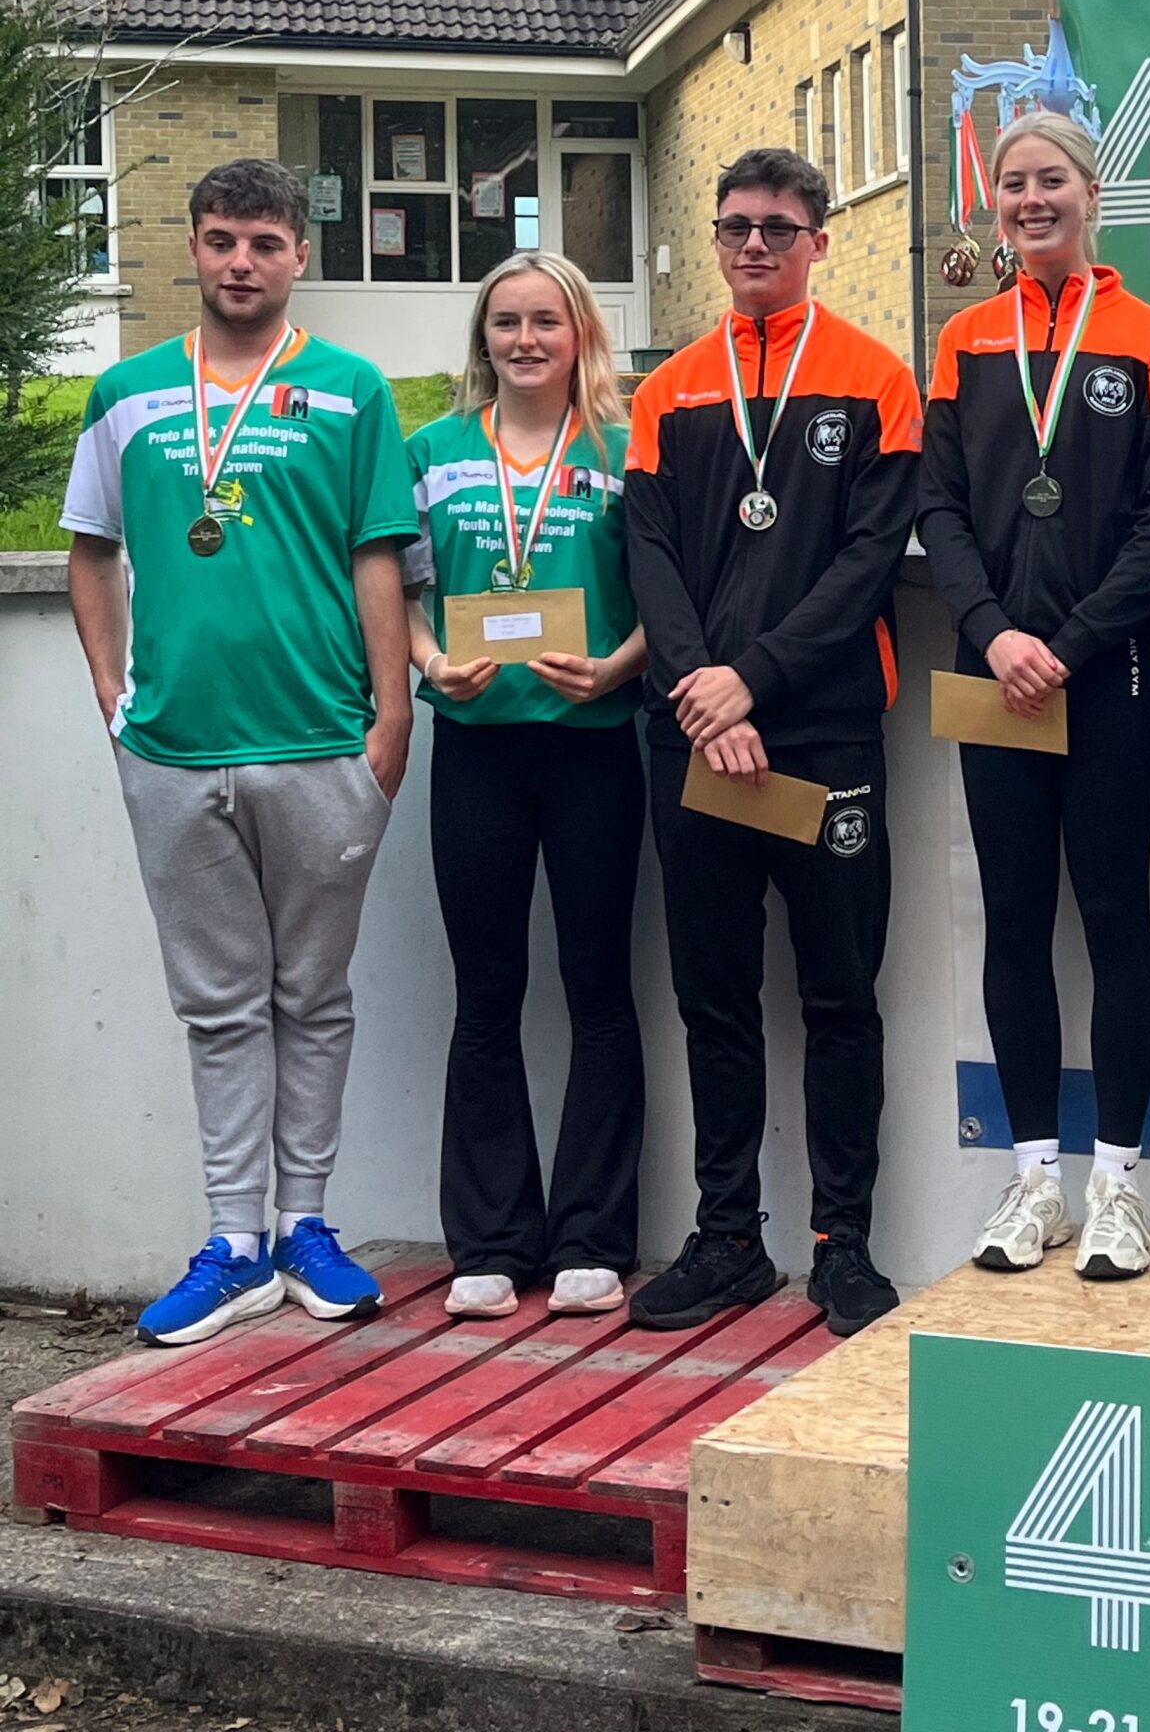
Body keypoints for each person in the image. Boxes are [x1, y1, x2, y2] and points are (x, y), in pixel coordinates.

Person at [62, 158, 416, 1347]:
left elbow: (378, 555)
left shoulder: (353, 391)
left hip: (320, 741)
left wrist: (391, 715)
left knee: (311, 994)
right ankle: (234, 1243)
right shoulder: (125, 393)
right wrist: (113, 693)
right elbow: (91, 548)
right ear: (194, 247)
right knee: (218, 1005)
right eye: (221, 240)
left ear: (299, 253)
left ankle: (306, 1222)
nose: (241, 262)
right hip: (173, 748)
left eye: (264, 242)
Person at [624, 146, 922, 1338]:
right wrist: (706, 694)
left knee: (841, 993)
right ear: (715, 238)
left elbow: (866, 566)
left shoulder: (876, 379)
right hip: (694, 735)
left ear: (819, 240)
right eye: (736, 226)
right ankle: (728, 1238)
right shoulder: (668, 392)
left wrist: (752, 679)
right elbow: (649, 558)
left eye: (779, 227)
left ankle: (843, 1244)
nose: (755, 244)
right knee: (715, 997)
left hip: (824, 727)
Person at [920, 115, 1150, 1281]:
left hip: (1110, 670)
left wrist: (1067, 643)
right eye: (1014, 185)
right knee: (1014, 918)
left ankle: (1119, 1185)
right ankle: (1035, 1179)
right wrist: (993, 631)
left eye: (1052, 182)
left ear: (1091, 193)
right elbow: (937, 507)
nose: (1032, 200)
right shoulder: (963, 339)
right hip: (993, 677)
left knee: (1116, 916)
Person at [403, 252, 649, 1322]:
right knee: (486, 994)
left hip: (594, 744)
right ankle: (492, 1241)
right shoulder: (430, 451)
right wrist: (427, 661)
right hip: (477, 750)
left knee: (599, 990)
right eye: (506, 322)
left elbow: (669, 596)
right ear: (484, 337)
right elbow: (391, 585)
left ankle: (594, 1234)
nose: (525, 340)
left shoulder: (625, 449)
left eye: (546, 320)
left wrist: (620, 668)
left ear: (580, 330)